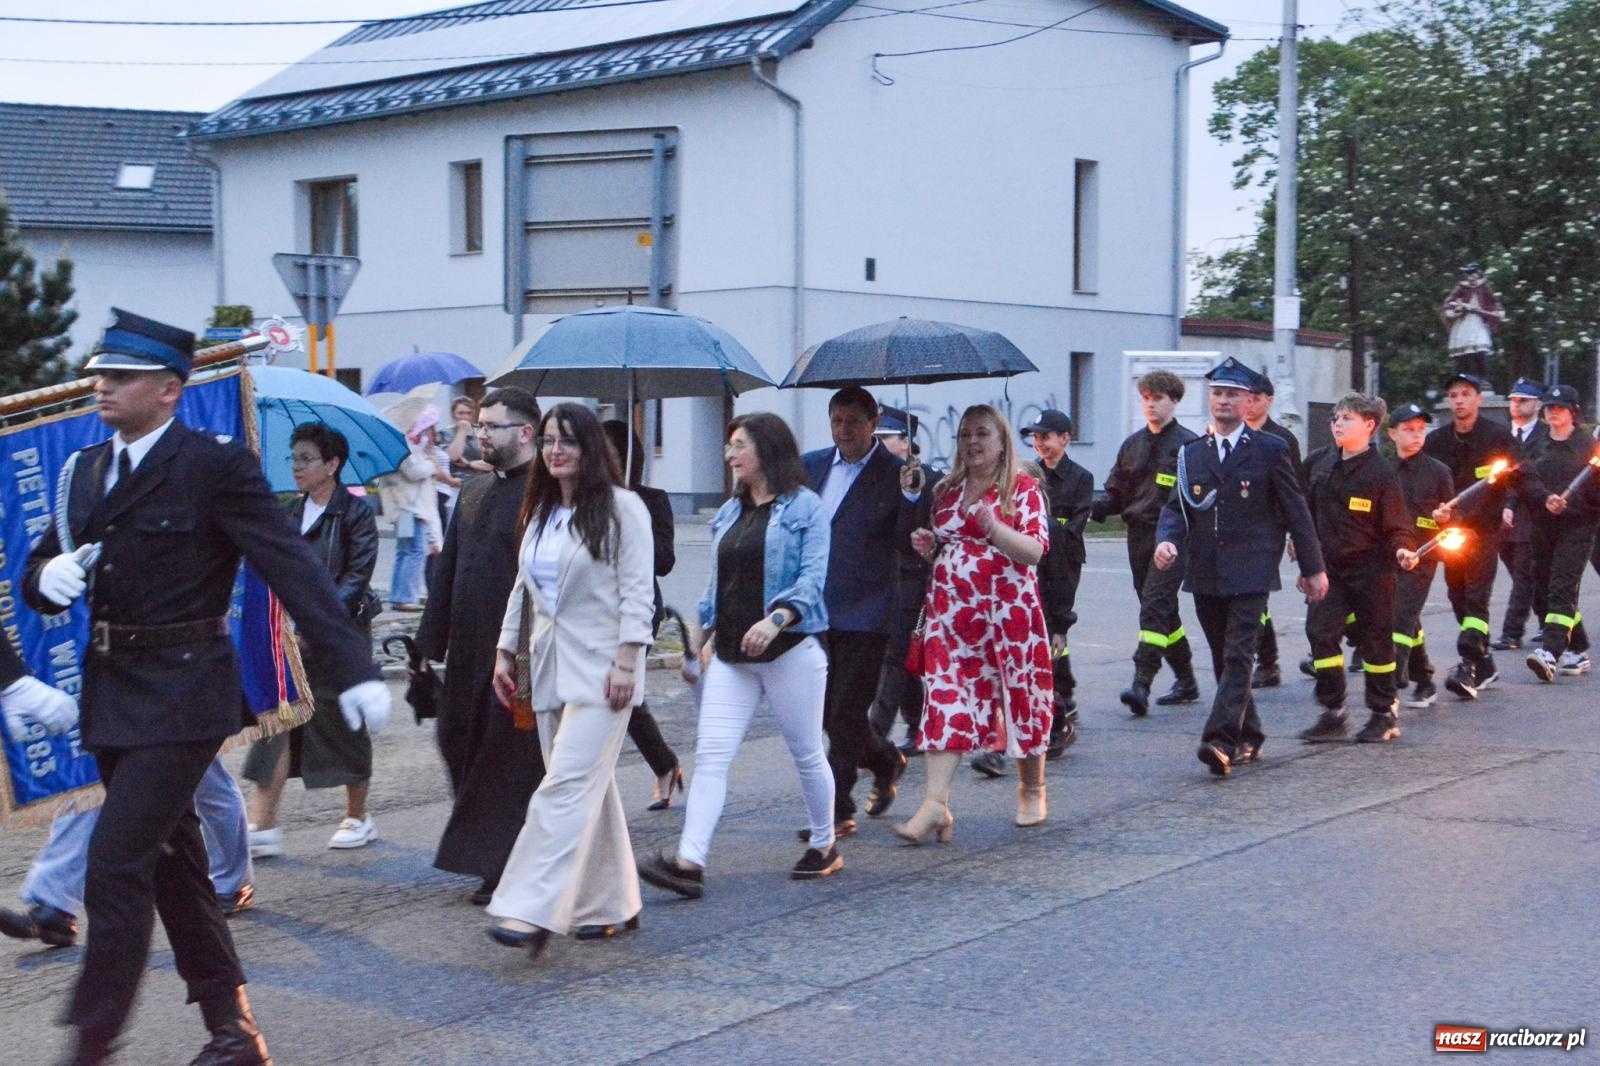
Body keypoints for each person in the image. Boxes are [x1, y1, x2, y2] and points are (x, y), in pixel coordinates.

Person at [21, 308, 388, 1065]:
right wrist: (44, 581)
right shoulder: (84, 470)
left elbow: (287, 561)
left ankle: (90, 1042)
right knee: (174, 865)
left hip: (186, 692)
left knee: (115, 863)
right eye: (100, 375)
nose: (103, 387)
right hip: (113, 691)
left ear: (168, 390)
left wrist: (350, 663)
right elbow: (39, 568)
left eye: (121, 377)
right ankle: (233, 1030)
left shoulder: (213, 466)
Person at [637, 412, 837, 899]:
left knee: (806, 752)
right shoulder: (728, 513)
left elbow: (812, 580)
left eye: (737, 445)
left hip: (790, 650)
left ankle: (826, 843)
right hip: (731, 655)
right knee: (711, 757)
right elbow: (715, 588)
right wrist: (700, 641)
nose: (728, 454)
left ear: (766, 450)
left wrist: (776, 620)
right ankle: (690, 862)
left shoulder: (806, 508)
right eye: (727, 446)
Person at [485, 403, 654, 959]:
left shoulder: (624, 509)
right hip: (550, 666)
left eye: (569, 441)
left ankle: (530, 907)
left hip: (606, 673)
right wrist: (507, 648)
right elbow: (522, 587)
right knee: (589, 788)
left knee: (562, 787)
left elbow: (637, 593)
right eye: (551, 441)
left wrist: (629, 659)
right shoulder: (540, 514)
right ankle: (612, 903)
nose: (557, 450)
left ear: (590, 449)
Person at [1154, 358, 1326, 777]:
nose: (1223, 400)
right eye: (1217, 393)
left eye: (1232, 394)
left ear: (1250, 402)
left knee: (1238, 656)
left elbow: (1296, 510)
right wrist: (1167, 540)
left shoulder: (1269, 449)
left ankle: (1220, 739)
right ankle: (1250, 732)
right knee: (1220, 657)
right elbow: (1177, 507)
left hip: (1251, 571)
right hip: (1206, 570)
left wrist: (1312, 564)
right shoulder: (1191, 453)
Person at [897, 404, 1054, 840]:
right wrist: (929, 546)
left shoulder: (1021, 487)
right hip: (952, 615)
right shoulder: (947, 489)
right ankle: (935, 804)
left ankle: (1032, 786)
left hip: (1009, 615)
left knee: (1020, 697)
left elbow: (1035, 551)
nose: (972, 441)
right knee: (944, 697)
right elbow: (948, 544)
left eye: (982, 433)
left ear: (1002, 440)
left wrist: (994, 529)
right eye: (965, 434)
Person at [418, 386, 547, 905]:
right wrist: (427, 645)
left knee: (506, 757)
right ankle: (495, 853)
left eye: (491, 426)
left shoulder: (546, 494)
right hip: (470, 649)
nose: (479, 434)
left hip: (518, 652)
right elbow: (449, 570)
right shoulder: (472, 491)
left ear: (525, 432)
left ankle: (504, 866)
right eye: (479, 426)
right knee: (455, 740)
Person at [242, 424, 382, 853]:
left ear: (333, 465)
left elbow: (355, 579)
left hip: (338, 637)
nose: (297, 467)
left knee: (343, 726)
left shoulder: (355, 514)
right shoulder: (288, 512)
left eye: (306, 459)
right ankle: (262, 825)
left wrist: (314, 626)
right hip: (288, 637)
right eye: (294, 458)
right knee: (276, 722)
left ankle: (357, 817)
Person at [1, 759, 257, 951]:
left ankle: (233, 882)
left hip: (180, 692)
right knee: (86, 778)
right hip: (115, 693)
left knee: (203, 774)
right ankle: (54, 904)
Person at [802, 387, 909, 829]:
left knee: (844, 711)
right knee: (825, 711)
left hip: (868, 609)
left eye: (853, 422)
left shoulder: (897, 473)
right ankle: (885, 761)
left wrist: (916, 495)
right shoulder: (811, 467)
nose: (844, 431)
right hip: (813, 609)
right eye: (837, 421)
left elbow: (912, 535)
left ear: (873, 424)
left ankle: (836, 807)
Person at [1296, 394, 1414, 745]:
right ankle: (1333, 712)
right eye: (1335, 417)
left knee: (1376, 643)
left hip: (1372, 572)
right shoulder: (1320, 463)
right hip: (1328, 571)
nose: (1337, 423)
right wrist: (1303, 553)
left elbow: (1397, 524)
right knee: (1320, 633)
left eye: (1346, 418)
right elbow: (1302, 511)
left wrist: (1404, 549)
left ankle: (1383, 713)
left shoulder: (1381, 473)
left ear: (1369, 426)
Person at [976, 409, 1089, 767]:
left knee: (1036, 679)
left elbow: (1061, 583)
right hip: (1003, 614)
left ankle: (1056, 725)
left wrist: (1060, 627)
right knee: (999, 678)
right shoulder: (998, 528)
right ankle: (995, 751)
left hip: (1038, 612)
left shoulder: (1049, 532)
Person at [1093, 370, 1202, 714]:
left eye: (1158, 398)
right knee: (1161, 609)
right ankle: (1186, 679)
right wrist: (1084, 508)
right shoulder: (1132, 445)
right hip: (1138, 536)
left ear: (1175, 401)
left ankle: (1142, 682)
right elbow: (1115, 493)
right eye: (1146, 398)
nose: (1151, 404)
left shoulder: (1189, 445)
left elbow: (1193, 499)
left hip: (1172, 538)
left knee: (1154, 605)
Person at [601, 419, 685, 810]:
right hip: (594, 610)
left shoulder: (651, 500)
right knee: (618, 695)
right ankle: (664, 764)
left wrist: (634, 525)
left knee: (615, 694)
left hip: (637, 609)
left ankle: (602, 784)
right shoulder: (586, 499)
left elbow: (665, 562)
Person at [1423, 371, 1519, 699]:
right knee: (1457, 594)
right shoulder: (1436, 442)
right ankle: (1485, 661)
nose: (1460, 401)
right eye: (1454, 396)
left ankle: (1468, 664)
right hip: (1451, 531)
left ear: (1479, 399)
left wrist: (1509, 505)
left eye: (1466, 394)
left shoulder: (1498, 437)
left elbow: (1518, 476)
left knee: (1477, 594)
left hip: (1485, 529)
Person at [870, 406, 943, 758]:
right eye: (877, 438)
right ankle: (917, 722)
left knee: (895, 654)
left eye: (887, 438)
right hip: (880, 576)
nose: (880, 445)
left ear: (907, 442)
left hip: (915, 577)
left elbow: (930, 531)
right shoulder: (873, 478)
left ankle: (873, 733)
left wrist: (912, 496)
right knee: (898, 654)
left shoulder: (931, 479)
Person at [1522, 386, 1598, 682]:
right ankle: (1576, 647)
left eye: (1560, 407)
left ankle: (1551, 651)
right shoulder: (1537, 443)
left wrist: (1571, 502)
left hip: (1578, 526)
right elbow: (1524, 477)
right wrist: (1544, 498)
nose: (1553, 412)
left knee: (1561, 586)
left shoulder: (1588, 447)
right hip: (1543, 523)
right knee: (1541, 588)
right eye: (1550, 407)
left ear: (1573, 412)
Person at [1387, 404, 1455, 708]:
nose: (1416, 435)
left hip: (1423, 555)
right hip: (1389, 554)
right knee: (1405, 615)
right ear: (1392, 433)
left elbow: (1455, 515)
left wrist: (1445, 517)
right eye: (1408, 429)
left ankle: (1389, 685)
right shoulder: (1382, 469)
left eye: (1420, 429)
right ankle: (1425, 679)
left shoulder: (1439, 471)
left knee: (1400, 613)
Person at [1240, 371, 1303, 689]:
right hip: (1239, 526)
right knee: (1247, 595)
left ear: (1269, 401)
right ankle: (1263, 660)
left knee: (1256, 592)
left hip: (1270, 527)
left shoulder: (1282, 440)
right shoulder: (1233, 434)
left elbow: (1294, 491)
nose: (1249, 403)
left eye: (1256, 397)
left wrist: (1295, 534)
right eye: (1245, 396)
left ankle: (1267, 662)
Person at [1493, 378, 1546, 650]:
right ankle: (1552, 622)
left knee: (1524, 573)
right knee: (1519, 572)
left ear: (1537, 404)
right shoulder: (1502, 435)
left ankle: (1512, 632)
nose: (1516, 404)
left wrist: (1510, 505)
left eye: (1523, 400)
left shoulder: (1545, 437)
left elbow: (1526, 472)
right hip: (1499, 514)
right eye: (1513, 399)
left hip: (1530, 514)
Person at [383, 408, 446, 611]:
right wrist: (431, 463)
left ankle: (401, 594)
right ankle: (404, 597)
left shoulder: (408, 446)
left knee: (408, 551)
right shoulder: (402, 447)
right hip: (408, 509)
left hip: (410, 508)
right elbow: (414, 472)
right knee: (413, 551)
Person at [1440, 261, 1505, 382]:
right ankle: (1466, 378)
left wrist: (1497, 311)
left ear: (1477, 274)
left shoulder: (1484, 286)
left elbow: (1494, 301)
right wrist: (1457, 309)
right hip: (1464, 321)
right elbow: (1448, 302)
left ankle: (1483, 378)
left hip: (1479, 321)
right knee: (1465, 351)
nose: (1470, 277)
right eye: (1468, 274)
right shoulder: (1461, 287)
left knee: (1481, 348)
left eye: (1472, 274)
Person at [444, 395, 492, 483]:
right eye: (461, 413)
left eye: (468, 413)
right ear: (453, 414)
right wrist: (462, 432)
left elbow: (491, 464)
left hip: (481, 481)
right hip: (455, 483)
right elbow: (452, 457)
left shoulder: (481, 432)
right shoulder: (445, 434)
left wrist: (468, 464)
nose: (465, 417)